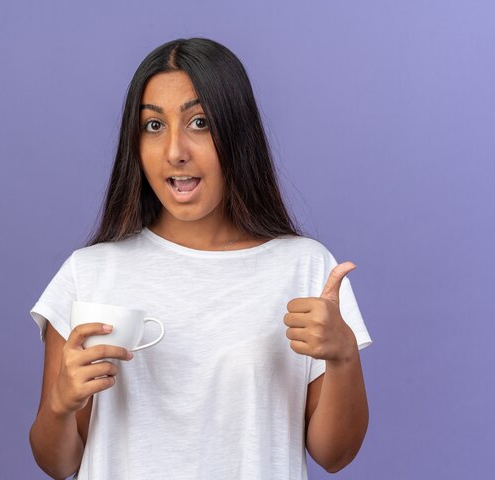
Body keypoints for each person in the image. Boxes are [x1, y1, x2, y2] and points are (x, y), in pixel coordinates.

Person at [28, 37, 372, 480]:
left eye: (200, 122)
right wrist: (60, 403)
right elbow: (58, 463)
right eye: (154, 126)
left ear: (237, 133)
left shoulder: (303, 267)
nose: (175, 150)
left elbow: (335, 454)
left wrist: (344, 357)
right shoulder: (90, 272)